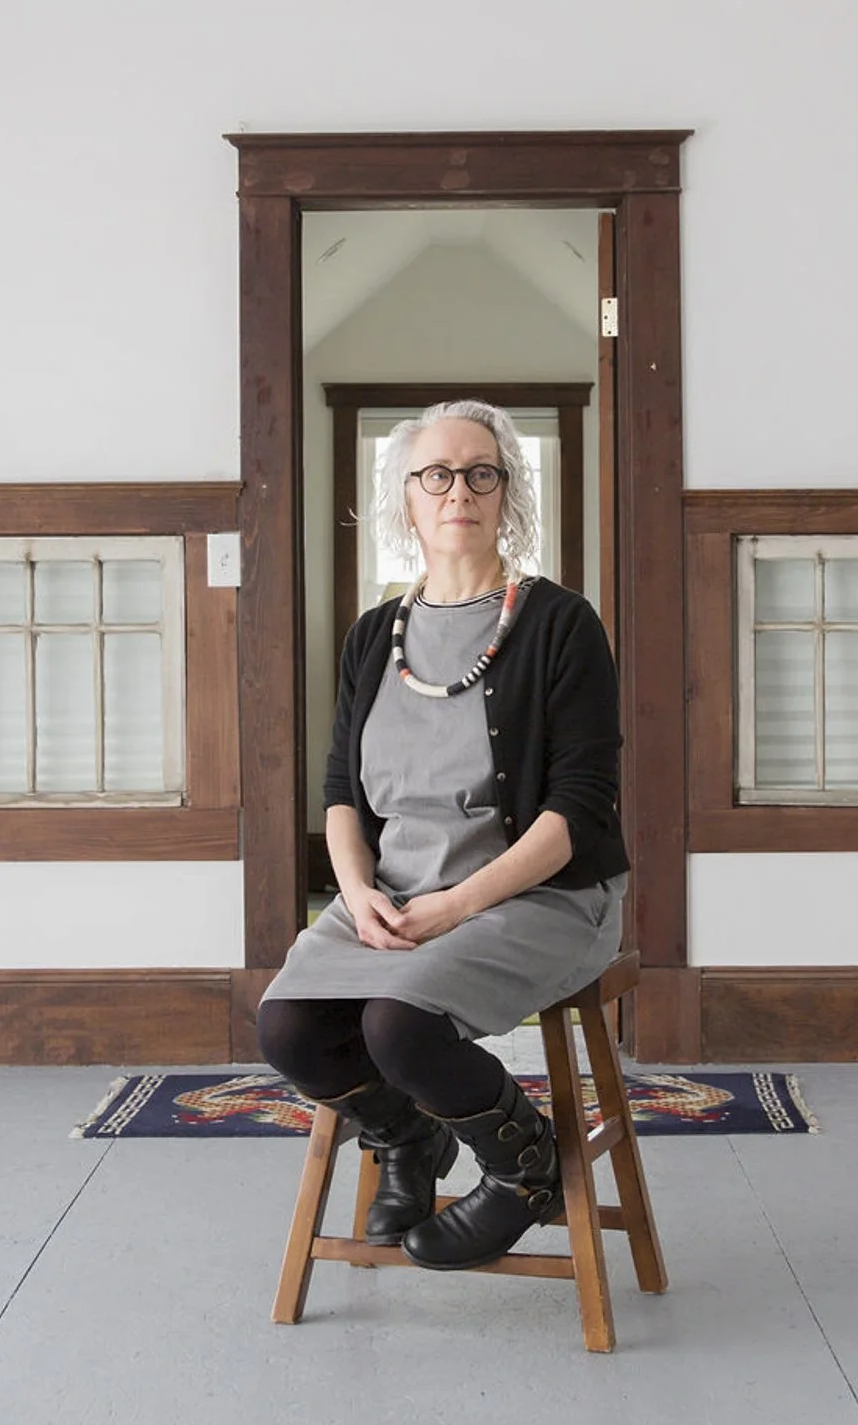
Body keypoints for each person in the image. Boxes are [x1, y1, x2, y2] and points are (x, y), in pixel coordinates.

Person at [258, 398, 629, 1270]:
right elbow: (343, 793)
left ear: (506, 493)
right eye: (435, 474)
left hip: (542, 896)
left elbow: (578, 812)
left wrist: (455, 908)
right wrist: (356, 895)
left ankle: (523, 1165)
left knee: (398, 1023)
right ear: (406, 498)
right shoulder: (373, 637)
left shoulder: (560, 624)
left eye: (480, 472)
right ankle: (410, 1140)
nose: (457, 489)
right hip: (396, 893)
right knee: (288, 1029)